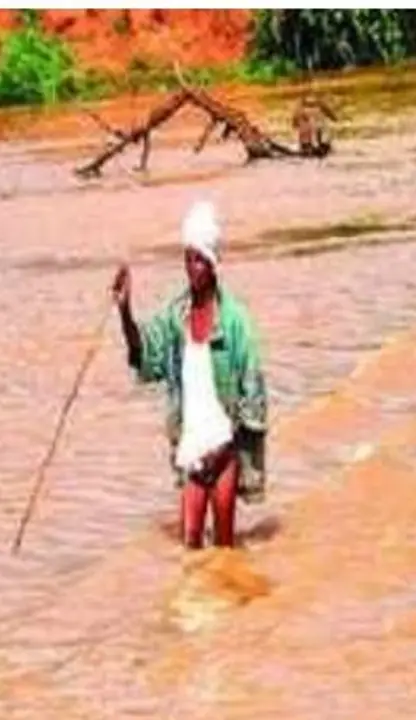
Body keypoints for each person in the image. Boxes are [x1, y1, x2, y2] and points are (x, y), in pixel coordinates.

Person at [110, 200, 268, 550]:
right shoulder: (175, 317)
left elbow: (254, 394)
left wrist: (227, 449)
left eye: (198, 259)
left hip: (223, 451)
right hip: (192, 449)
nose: (191, 268)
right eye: (187, 259)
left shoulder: (235, 322)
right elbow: (145, 357)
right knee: (190, 551)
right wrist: (124, 312)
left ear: (212, 265)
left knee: (225, 552)